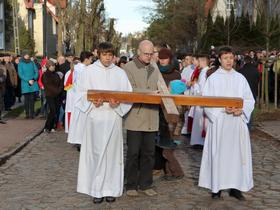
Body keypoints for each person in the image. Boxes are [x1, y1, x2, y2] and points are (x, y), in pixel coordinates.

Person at [76, 42, 132, 204]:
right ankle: (96, 190)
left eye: (110, 55)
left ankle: (111, 189)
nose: (107, 58)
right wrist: (93, 103)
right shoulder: (89, 72)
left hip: (113, 118)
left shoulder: (120, 73)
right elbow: (79, 93)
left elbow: (128, 95)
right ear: (98, 55)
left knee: (112, 155)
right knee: (96, 153)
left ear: (113, 56)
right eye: (104, 55)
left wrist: (118, 105)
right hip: (95, 118)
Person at [198, 47, 255, 201]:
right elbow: (206, 102)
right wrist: (222, 110)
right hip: (220, 123)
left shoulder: (240, 78)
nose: (229, 61)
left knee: (236, 155)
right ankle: (216, 188)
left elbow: (249, 100)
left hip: (237, 124)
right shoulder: (213, 79)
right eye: (225, 58)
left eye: (231, 58)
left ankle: (236, 188)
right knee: (219, 154)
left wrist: (241, 111)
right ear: (220, 60)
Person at [123, 40, 159, 197]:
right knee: (133, 153)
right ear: (138, 52)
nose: (149, 56)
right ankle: (130, 185)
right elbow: (129, 90)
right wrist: (150, 93)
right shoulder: (129, 67)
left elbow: (160, 88)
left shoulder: (154, 67)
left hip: (152, 116)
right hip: (135, 117)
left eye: (151, 54)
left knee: (149, 153)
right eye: (146, 53)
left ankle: (146, 184)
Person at [67, 51, 93, 148]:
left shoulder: (77, 68)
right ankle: (81, 141)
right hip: (83, 96)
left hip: (78, 96)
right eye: (91, 59)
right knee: (82, 121)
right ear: (86, 59)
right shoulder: (83, 70)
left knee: (79, 121)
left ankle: (79, 140)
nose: (91, 61)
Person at [190, 55, 210, 148]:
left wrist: (195, 85)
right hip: (199, 100)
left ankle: (199, 142)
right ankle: (198, 141)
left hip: (201, 99)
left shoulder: (205, 72)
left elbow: (202, 89)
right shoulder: (204, 71)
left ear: (202, 61)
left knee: (200, 122)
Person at [42, 60, 64, 133]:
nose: (54, 67)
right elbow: (48, 85)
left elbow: (60, 83)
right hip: (50, 95)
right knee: (52, 110)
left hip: (57, 95)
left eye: (54, 65)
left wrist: (59, 89)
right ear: (49, 66)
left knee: (56, 111)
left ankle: (53, 126)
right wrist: (57, 91)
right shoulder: (45, 75)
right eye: (52, 66)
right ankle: (47, 126)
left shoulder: (56, 74)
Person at [18, 53, 39, 119]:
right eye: (25, 54)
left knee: (32, 99)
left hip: (33, 83)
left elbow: (36, 72)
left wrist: (33, 79)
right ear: (23, 56)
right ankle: (27, 114)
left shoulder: (32, 63)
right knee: (26, 100)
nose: (27, 56)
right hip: (25, 84)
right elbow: (20, 74)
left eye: (28, 55)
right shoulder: (20, 64)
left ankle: (32, 114)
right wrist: (28, 80)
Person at [0, 59, 7, 124]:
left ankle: (0, 117)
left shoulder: (2, 67)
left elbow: (4, 76)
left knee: (1, 102)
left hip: (1, 88)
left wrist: (1, 79)